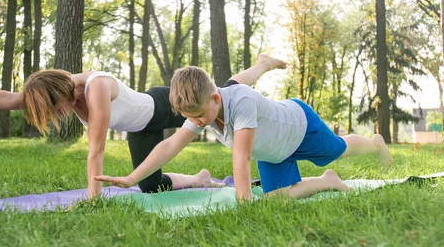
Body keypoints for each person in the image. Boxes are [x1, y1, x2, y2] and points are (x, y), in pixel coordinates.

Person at [0, 55, 286, 198]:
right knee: (149, 186)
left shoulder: (97, 88)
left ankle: (263, 64)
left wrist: (93, 198)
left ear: (63, 94)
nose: (56, 116)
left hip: (158, 108)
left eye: (54, 110)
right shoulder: (56, 89)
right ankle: (201, 178)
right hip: (142, 128)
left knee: (226, 90)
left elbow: (97, 148)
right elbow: (9, 97)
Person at [96, 66, 393, 201]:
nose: (196, 122)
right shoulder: (203, 114)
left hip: (300, 128)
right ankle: (327, 180)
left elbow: (243, 155)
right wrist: (133, 178)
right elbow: (171, 144)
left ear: (215, 99)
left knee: (337, 149)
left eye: (198, 115)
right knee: (277, 198)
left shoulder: (242, 102)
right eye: (189, 118)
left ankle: (374, 143)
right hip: (274, 152)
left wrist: (242, 201)